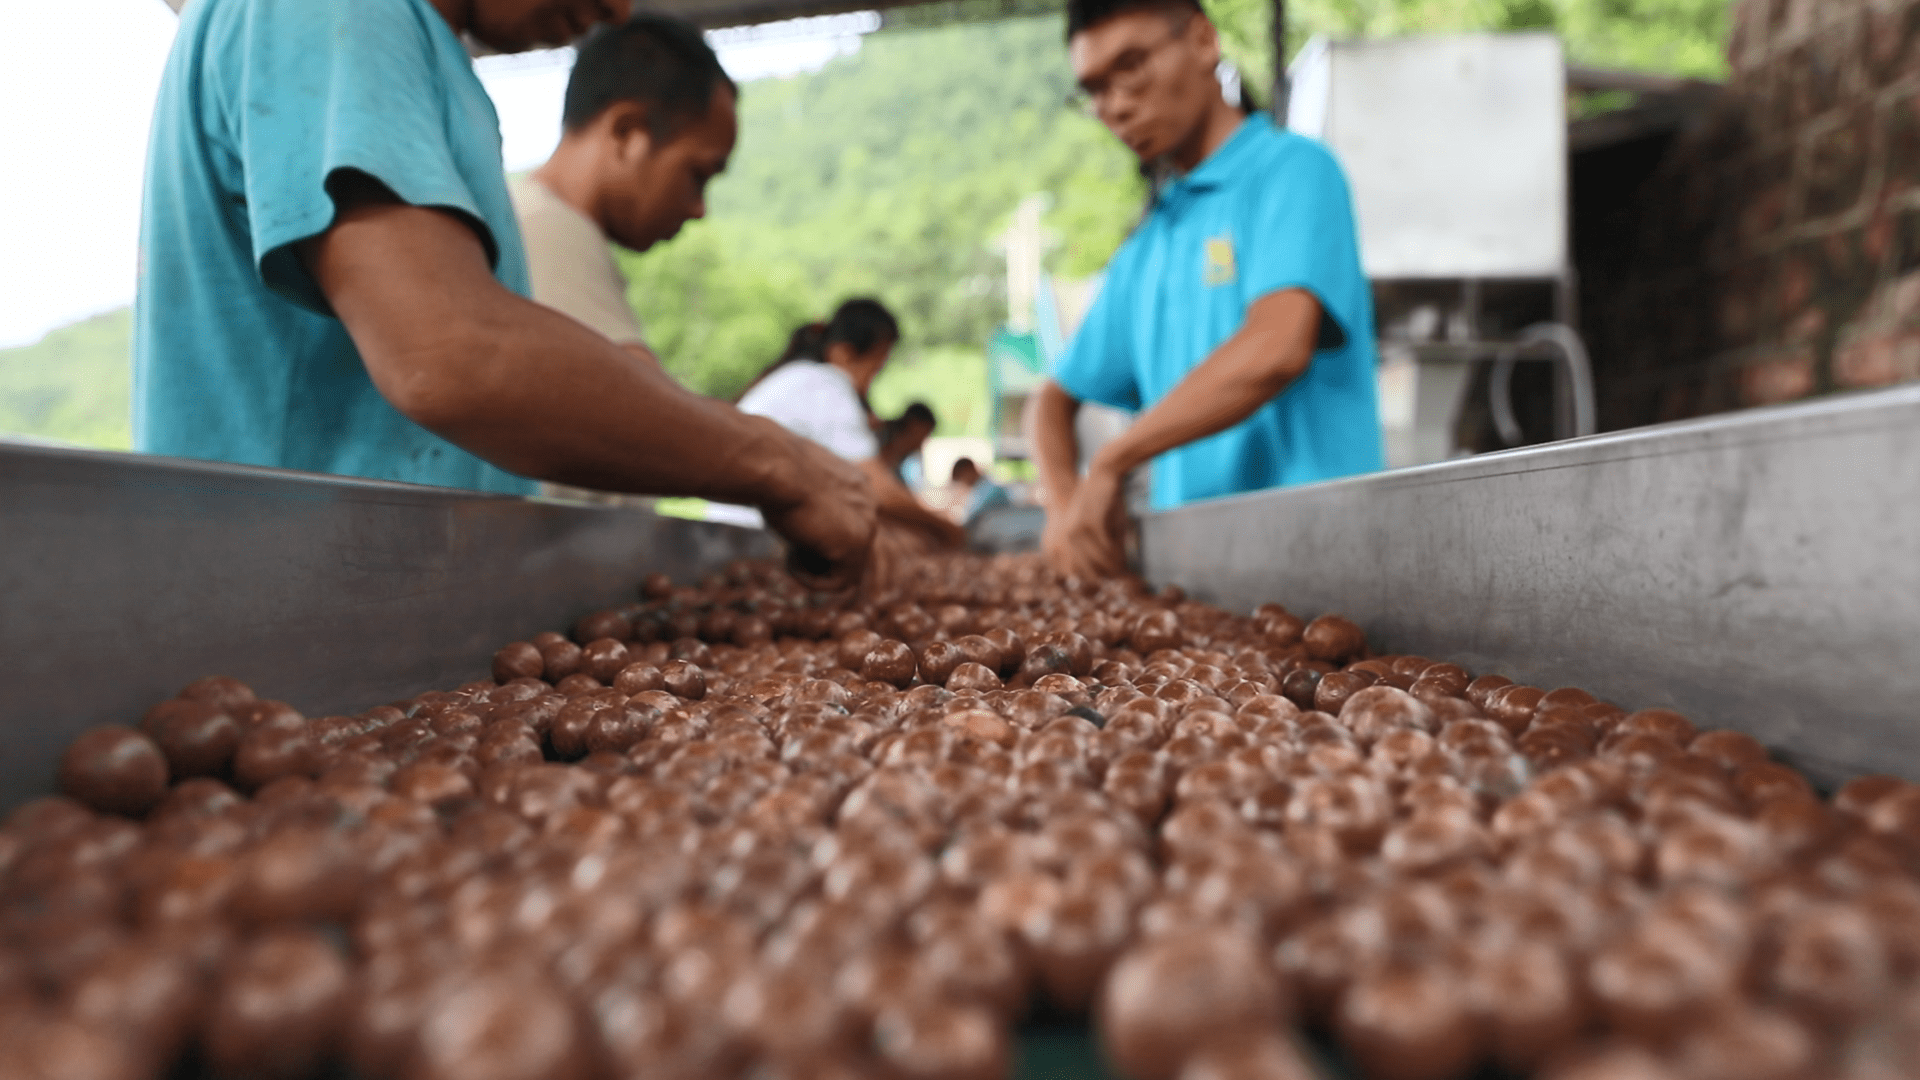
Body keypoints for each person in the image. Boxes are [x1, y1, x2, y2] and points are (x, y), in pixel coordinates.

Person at [131, 0, 873, 586]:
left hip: (357, 622)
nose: (616, 10)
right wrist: (779, 463)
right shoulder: (332, 8)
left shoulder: (427, 56)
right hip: (271, 623)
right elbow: (451, 353)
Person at [1032, 0, 1384, 579]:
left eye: (1131, 66)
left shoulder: (1295, 173)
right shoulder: (1147, 246)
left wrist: (1113, 461)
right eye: (1094, 89)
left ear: (1202, 41)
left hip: (1319, 573)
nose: (1115, 105)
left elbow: (1277, 345)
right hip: (1190, 587)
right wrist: (1065, 508)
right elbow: (1051, 402)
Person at [510, 13, 716, 370]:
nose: (700, 209)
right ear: (628, 133)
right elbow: (648, 416)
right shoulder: (549, 229)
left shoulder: (528, 214)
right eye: (697, 174)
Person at [735, 302, 966, 550]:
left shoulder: (797, 379)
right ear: (843, 354)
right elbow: (878, 491)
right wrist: (947, 529)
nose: (869, 384)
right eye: (875, 369)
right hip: (750, 534)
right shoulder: (826, 385)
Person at [877, 402, 937, 483]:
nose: (921, 444)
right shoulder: (874, 442)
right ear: (915, 426)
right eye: (925, 434)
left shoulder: (900, 464)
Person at [950, 457, 1012, 525]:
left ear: (968, 470)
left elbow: (970, 520)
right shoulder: (981, 489)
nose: (962, 484)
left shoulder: (990, 490)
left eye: (960, 479)